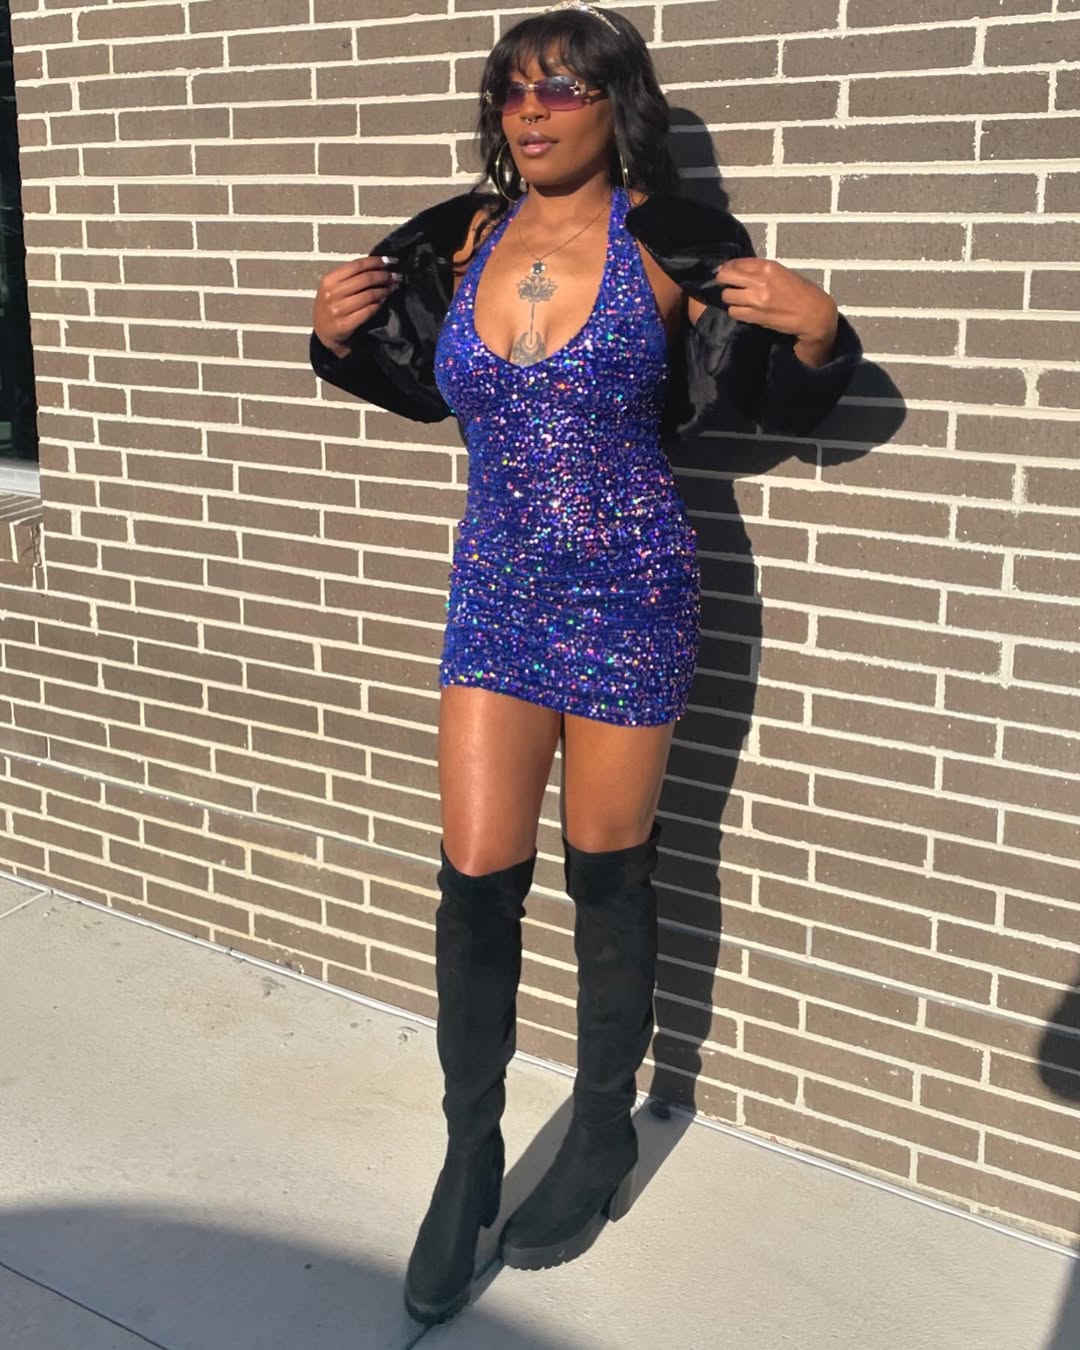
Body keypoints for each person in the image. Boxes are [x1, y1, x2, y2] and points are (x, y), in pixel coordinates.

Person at [310, 0, 861, 1327]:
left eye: (562, 89)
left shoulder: (670, 243)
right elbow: (424, 381)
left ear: (620, 107)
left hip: (632, 589)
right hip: (496, 591)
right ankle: (470, 1155)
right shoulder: (460, 238)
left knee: (610, 869)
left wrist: (817, 331)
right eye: (514, 91)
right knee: (475, 876)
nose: (532, 112)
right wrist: (336, 338)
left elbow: (768, 396)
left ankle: (603, 1128)